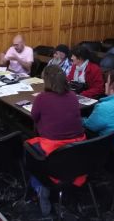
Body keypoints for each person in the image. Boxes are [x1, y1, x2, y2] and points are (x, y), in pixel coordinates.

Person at [27, 65, 86, 216]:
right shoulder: (73, 95)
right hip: (79, 149)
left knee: (29, 150)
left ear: (46, 81)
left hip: (54, 151)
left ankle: (40, 188)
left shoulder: (41, 98)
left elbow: (33, 118)